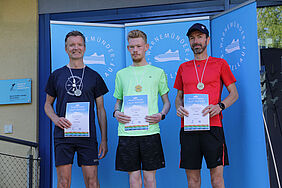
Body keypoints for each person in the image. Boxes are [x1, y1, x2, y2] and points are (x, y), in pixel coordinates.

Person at [174, 23, 239, 188]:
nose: (196, 41)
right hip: (189, 128)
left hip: (213, 127)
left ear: (207, 40)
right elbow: (178, 97)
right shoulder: (183, 68)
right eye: (192, 38)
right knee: (193, 181)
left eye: (199, 37)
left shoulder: (220, 64)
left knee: (216, 180)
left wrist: (220, 106)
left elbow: (234, 94)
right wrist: (178, 107)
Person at [44, 31, 108, 188]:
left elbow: (101, 110)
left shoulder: (94, 76)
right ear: (66, 49)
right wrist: (56, 119)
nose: (76, 48)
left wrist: (104, 139)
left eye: (79, 44)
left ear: (84, 48)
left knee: (92, 182)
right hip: (63, 136)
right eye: (71, 45)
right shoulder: (56, 75)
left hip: (87, 137)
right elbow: (47, 104)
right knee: (63, 182)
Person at [113, 29, 171, 188]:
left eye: (138, 46)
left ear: (146, 47)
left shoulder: (158, 72)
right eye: (132, 47)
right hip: (127, 132)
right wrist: (116, 113)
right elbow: (118, 102)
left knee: (150, 179)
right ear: (128, 48)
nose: (135, 50)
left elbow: (167, 102)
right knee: (133, 179)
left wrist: (162, 115)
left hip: (150, 131)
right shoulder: (121, 74)